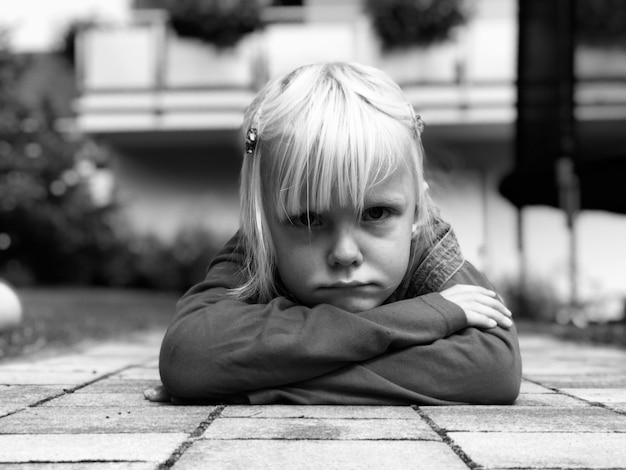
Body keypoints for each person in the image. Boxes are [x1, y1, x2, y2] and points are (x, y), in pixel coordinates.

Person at [146, 62, 522, 405]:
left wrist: (267, 381)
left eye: (376, 213)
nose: (344, 254)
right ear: (262, 220)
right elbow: (189, 356)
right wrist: (426, 316)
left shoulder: (429, 249)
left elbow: (492, 369)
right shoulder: (259, 245)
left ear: (417, 212)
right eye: (308, 221)